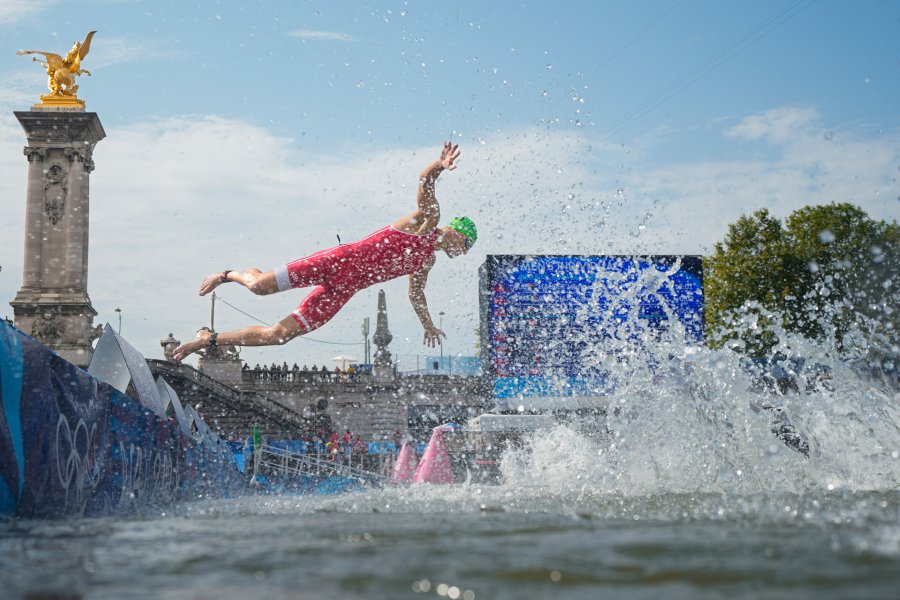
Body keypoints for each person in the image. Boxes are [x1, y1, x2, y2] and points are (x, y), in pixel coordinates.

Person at [173, 142, 476, 362]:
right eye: (467, 244)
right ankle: (227, 274)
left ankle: (207, 339)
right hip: (336, 262)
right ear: (457, 231)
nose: (464, 251)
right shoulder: (428, 221)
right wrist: (440, 165)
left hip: (345, 290)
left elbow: (416, 295)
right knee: (258, 287)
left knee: (278, 336)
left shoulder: (427, 260)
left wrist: (428, 325)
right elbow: (425, 182)